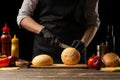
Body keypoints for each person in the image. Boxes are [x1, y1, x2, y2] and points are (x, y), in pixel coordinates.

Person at [17, 0, 100, 64]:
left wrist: (84, 43)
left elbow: (93, 22)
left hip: (75, 51)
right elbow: (22, 17)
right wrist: (42, 31)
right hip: (44, 50)